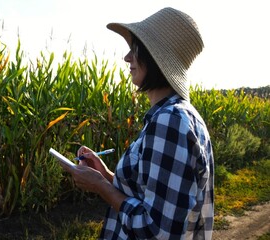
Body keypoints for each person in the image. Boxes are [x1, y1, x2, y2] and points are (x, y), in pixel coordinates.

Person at [59, 7, 214, 239]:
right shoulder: (175, 117)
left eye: (136, 49)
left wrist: (101, 186)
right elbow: (148, 193)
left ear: (155, 56)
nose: (127, 57)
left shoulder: (170, 122)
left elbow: (157, 230)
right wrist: (105, 174)